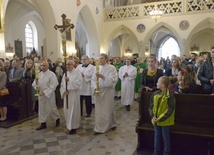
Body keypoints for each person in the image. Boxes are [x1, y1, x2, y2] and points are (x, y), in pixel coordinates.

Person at [91, 53, 118, 135]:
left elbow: (113, 80)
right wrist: (95, 87)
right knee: (99, 111)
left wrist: (103, 77)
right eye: (99, 58)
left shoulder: (111, 68)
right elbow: (93, 79)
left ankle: (111, 124)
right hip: (98, 92)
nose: (100, 60)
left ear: (106, 60)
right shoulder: (96, 68)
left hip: (107, 92)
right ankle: (99, 127)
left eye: (102, 58)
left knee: (108, 109)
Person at [148, 76, 175, 155]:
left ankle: (166, 152)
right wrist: (153, 116)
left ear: (162, 85)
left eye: (158, 82)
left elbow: (170, 109)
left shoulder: (170, 95)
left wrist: (160, 118)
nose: (156, 83)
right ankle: (156, 151)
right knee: (157, 136)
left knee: (165, 137)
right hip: (155, 119)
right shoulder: (155, 94)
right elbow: (150, 107)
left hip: (165, 121)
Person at [32, 61, 60, 130]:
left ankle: (57, 118)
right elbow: (34, 84)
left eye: (44, 65)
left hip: (49, 94)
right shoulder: (39, 74)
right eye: (42, 65)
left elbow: (53, 85)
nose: (43, 67)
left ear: (48, 66)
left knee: (51, 109)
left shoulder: (51, 74)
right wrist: (37, 87)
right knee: (42, 109)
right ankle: (43, 123)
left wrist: (45, 92)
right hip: (41, 94)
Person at [60, 60, 82, 134]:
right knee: (67, 110)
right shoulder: (65, 74)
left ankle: (74, 126)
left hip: (73, 95)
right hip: (67, 95)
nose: (68, 66)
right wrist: (64, 91)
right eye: (67, 64)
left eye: (69, 64)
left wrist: (69, 81)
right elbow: (62, 85)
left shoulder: (77, 73)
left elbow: (78, 84)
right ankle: (68, 124)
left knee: (74, 111)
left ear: (73, 65)